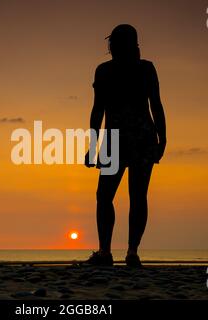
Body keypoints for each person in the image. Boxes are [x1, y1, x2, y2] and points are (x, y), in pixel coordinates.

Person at [85, 24, 166, 267]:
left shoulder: (105, 71)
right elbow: (156, 106)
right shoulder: (145, 69)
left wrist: (92, 144)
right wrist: (163, 138)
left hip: (115, 139)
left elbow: (98, 110)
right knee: (137, 196)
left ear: (113, 45)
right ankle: (131, 252)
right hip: (142, 136)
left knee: (105, 196)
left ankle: (105, 252)